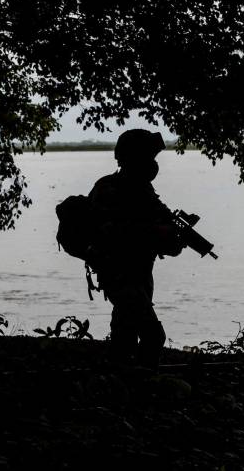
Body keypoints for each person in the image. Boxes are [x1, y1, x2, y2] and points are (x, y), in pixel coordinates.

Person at [88, 129, 185, 369]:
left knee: (125, 334)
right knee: (153, 336)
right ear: (132, 158)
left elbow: (164, 229)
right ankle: (145, 385)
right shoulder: (109, 189)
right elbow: (112, 233)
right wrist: (154, 231)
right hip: (119, 274)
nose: (152, 164)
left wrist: (174, 235)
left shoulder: (143, 190)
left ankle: (120, 387)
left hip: (140, 273)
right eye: (147, 157)